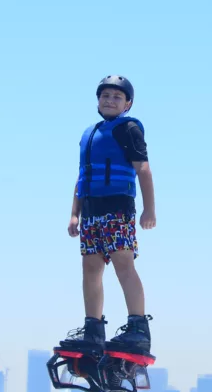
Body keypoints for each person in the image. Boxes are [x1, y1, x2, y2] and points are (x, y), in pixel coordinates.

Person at [62, 75, 156, 359]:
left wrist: (149, 209)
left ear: (128, 103)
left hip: (118, 207)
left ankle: (138, 327)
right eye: (105, 95)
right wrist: (74, 214)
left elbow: (143, 168)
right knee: (90, 268)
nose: (110, 100)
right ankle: (93, 328)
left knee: (122, 264)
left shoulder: (128, 128)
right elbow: (82, 177)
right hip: (91, 210)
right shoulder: (89, 134)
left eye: (117, 97)